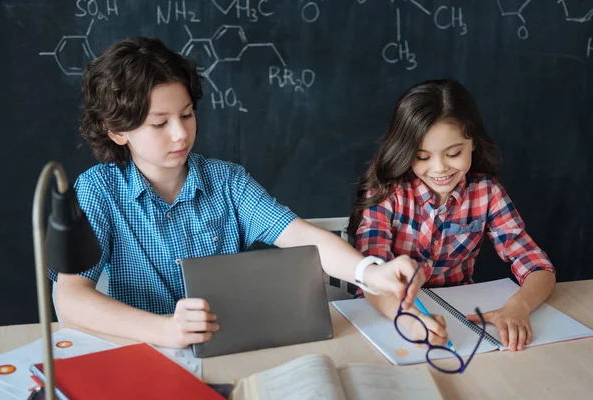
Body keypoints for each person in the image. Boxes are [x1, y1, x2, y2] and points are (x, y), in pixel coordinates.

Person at [51, 37, 424, 349]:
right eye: (160, 123)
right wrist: (164, 329)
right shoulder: (98, 189)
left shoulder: (227, 181)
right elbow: (70, 298)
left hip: (231, 348)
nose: (180, 134)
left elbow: (300, 235)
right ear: (117, 131)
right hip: (144, 352)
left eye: (187, 115)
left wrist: (370, 272)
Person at [348, 79, 555, 352]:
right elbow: (371, 277)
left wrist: (518, 307)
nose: (439, 168)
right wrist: (412, 321)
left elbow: (538, 267)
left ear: (473, 145)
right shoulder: (387, 193)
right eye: (421, 156)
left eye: (454, 153)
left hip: (460, 315)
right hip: (387, 315)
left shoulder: (487, 192)